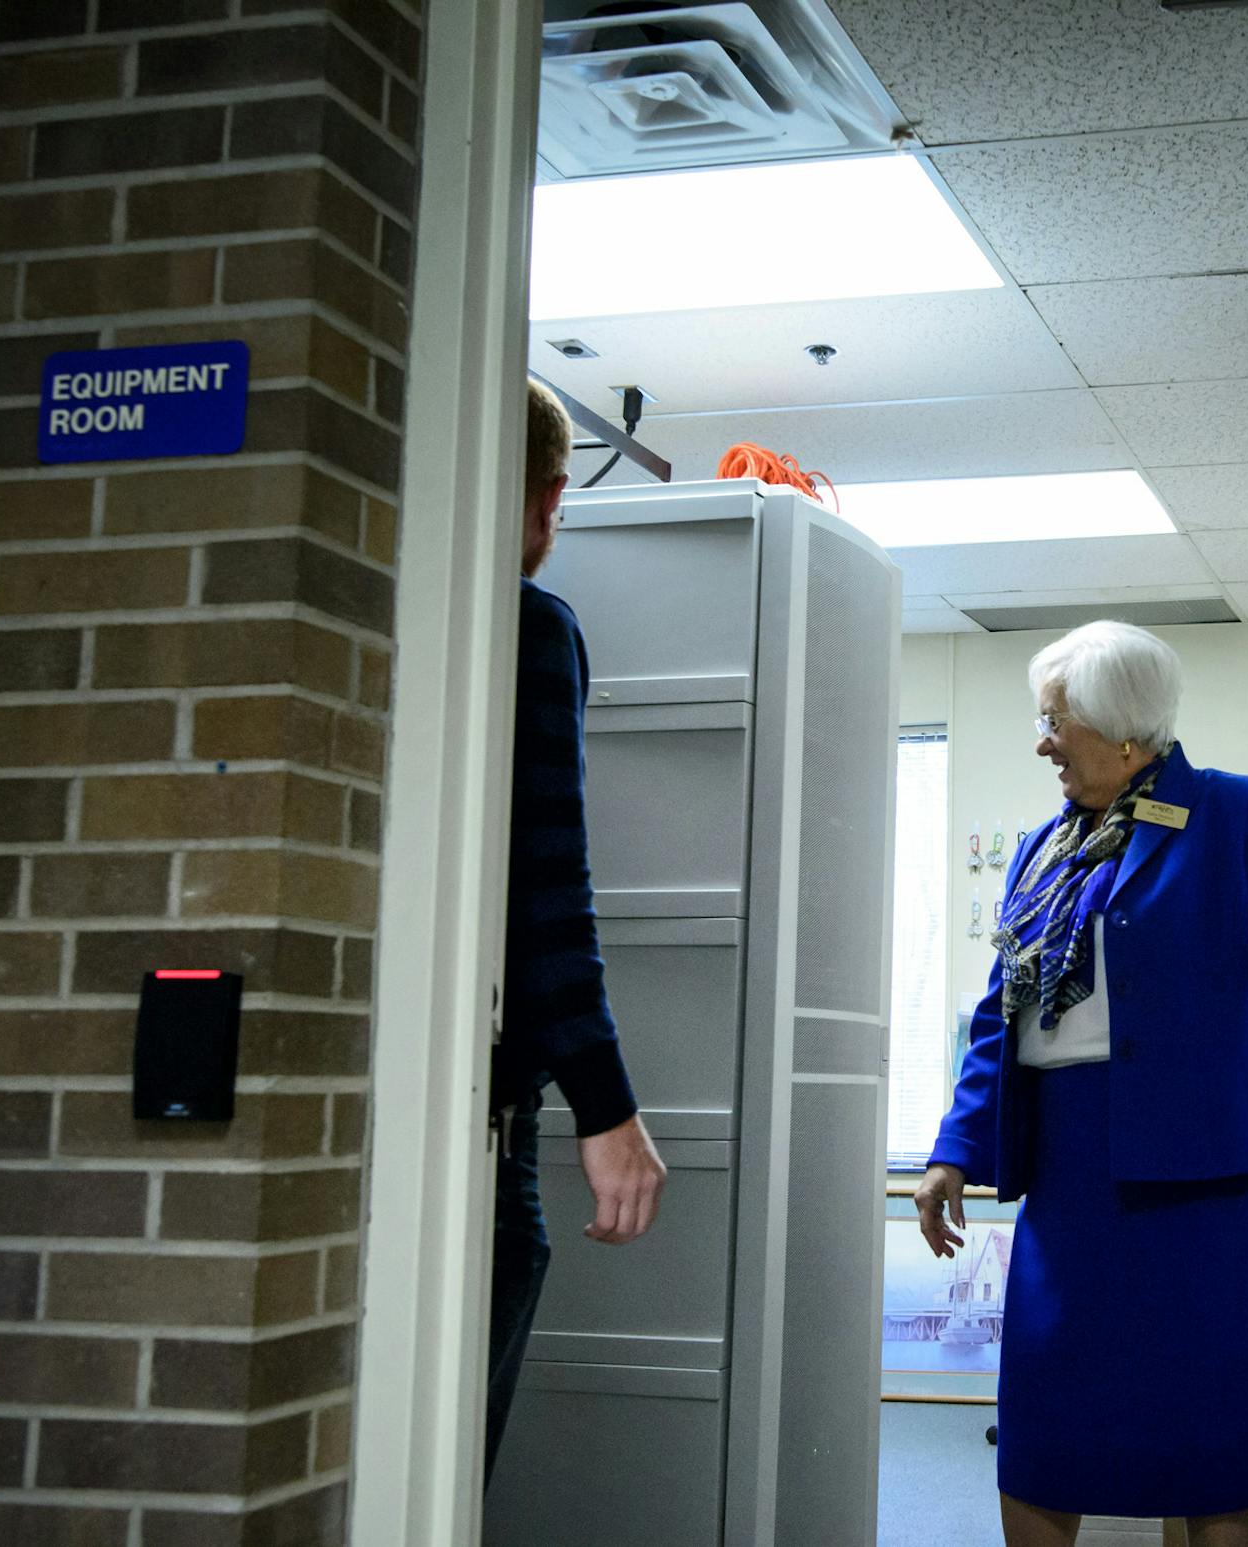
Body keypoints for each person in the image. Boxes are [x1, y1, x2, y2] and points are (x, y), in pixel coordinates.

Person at [914, 621, 1248, 1547]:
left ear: (1124, 733)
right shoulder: (1047, 848)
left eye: (1056, 721)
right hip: (1072, 1170)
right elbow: (1008, 1011)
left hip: (1212, 1179)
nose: (1043, 742)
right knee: (1047, 1423)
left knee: (1212, 1437)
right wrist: (955, 1148)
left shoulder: (1239, 814)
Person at [485, 380, 669, 1482]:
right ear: (552, 498)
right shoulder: (526, 624)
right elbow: (547, 886)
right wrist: (608, 1111)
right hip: (475, 1132)